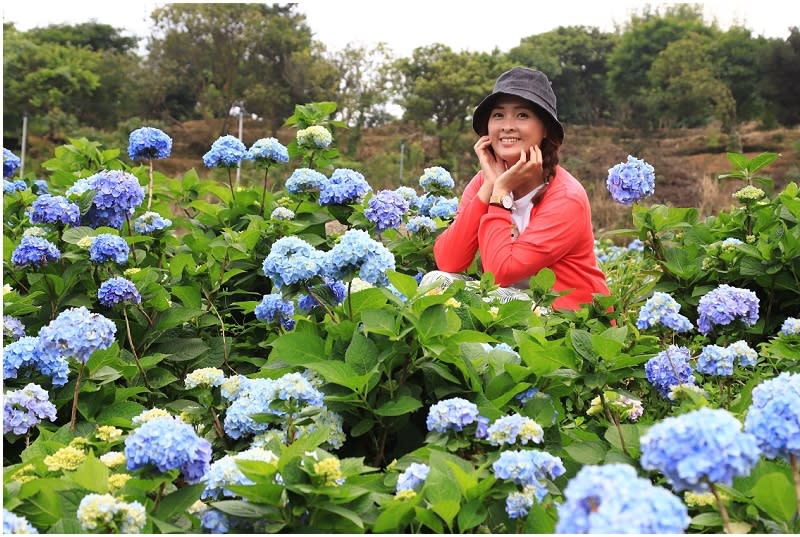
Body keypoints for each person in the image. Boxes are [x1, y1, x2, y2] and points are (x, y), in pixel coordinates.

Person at [429, 66, 609, 311]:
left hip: (568, 318)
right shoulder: (484, 181)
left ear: (545, 129)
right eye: (498, 115)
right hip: (513, 305)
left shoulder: (566, 197)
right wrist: (489, 188)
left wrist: (500, 195)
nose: (508, 126)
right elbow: (449, 260)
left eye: (522, 115)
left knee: (495, 300)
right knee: (436, 282)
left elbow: (501, 273)